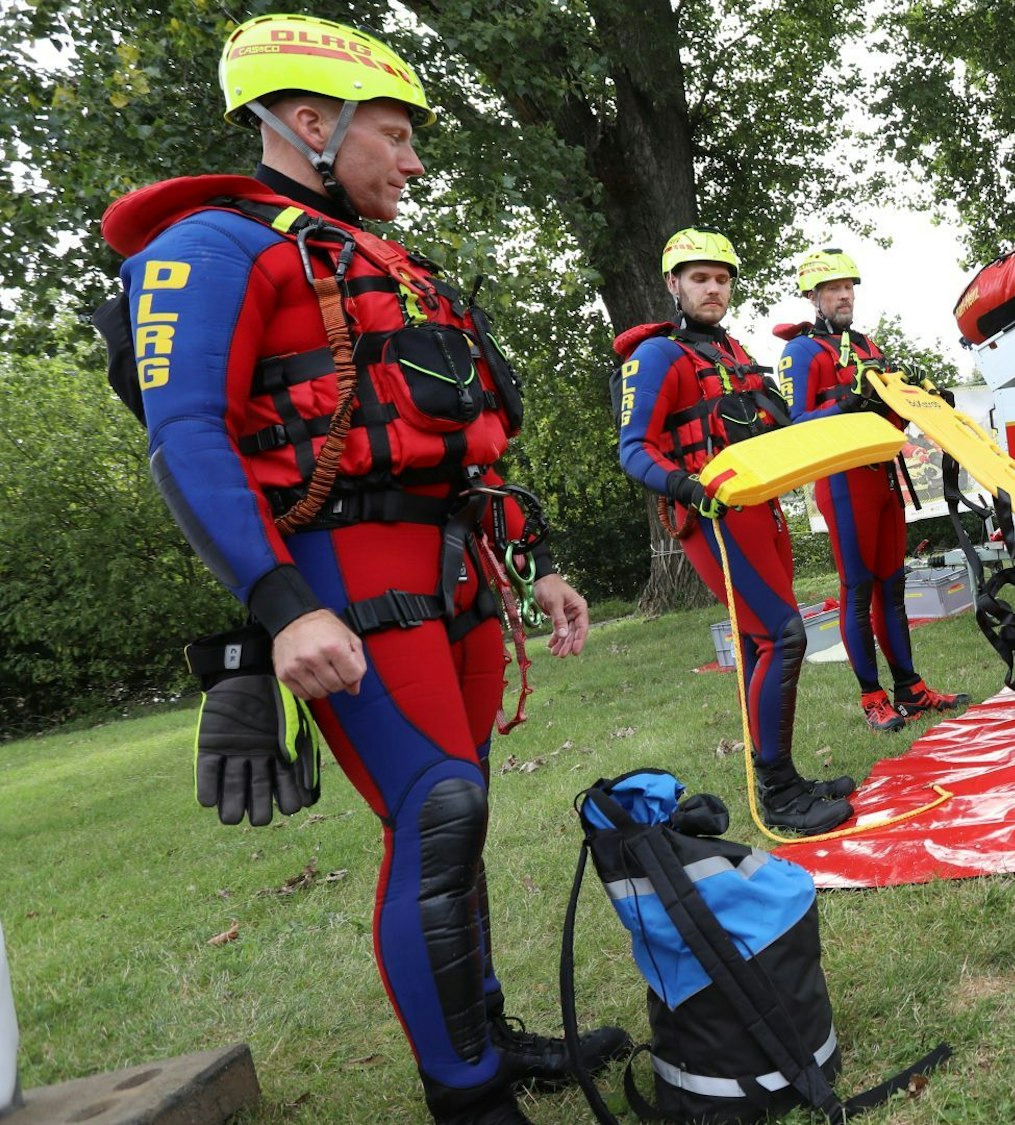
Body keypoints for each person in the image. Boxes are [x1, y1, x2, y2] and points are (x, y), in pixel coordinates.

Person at [98, 15, 626, 1124]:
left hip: (454, 570)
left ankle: (484, 1025)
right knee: (434, 811)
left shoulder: (383, 261)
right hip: (347, 576)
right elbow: (184, 438)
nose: (415, 162)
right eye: (395, 136)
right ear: (309, 124)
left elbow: (450, 443)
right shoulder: (214, 246)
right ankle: (468, 1102)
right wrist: (281, 610)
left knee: (464, 809)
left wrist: (535, 562)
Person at [614, 227, 855, 835]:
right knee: (784, 636)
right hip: (714, 519)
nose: (713, 289)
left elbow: (783, 429)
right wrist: (688, 489)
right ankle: (777, 794)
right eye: (700, 278)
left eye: (721, 279)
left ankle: (784, 775)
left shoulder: (733, 354)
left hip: (762, 513)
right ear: (674, 285)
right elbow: (634, 448)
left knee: (760, 644)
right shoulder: (660, 356)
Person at [778, 248, 968, 732]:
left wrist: (923, 401)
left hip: (884, 478)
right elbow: (793, 424)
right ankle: (871, 697)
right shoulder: (800, 351)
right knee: (858, 590)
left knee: (893, 587)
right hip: (843, 482)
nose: (845, 296)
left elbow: (885, 413)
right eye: (834, 289)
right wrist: (844, 405)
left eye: (849, 288)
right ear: (814, 296)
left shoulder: (867, 345)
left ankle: (910, 688)